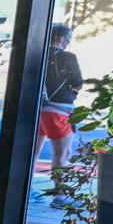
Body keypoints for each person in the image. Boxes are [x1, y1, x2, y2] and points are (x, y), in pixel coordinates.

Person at [37, 23, 83, 171]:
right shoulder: (68, 57)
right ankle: (60, 192)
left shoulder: (38, 54)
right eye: (68, 39)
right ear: (60, 38)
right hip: (59, 110)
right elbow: (78, 83)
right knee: (62, 154)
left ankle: (27, 188)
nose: (68, 42)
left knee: (32, 154)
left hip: (37, 110)